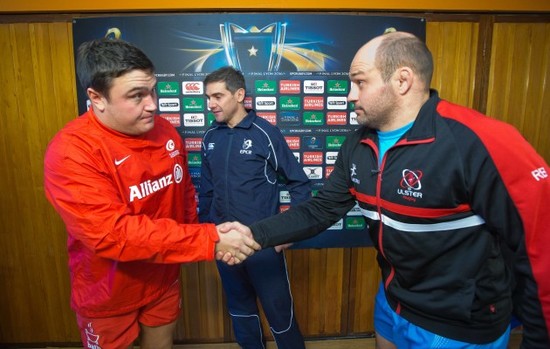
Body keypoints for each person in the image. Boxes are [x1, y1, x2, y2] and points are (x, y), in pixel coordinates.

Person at [220, 32, 550, 348]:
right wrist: (252, 234)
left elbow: (541, 249)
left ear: (402, 80)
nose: (350, 94)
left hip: (457, 322)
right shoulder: (358, 143)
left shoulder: (481, 141)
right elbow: (321, 210)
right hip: (393, 302)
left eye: (360, 82)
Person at [43, 39, 259, 349]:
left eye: (152, 91)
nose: (153, 104)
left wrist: (202, 236)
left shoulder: (165, 131)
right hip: (108, 292)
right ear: (96, 97)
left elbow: (183, 194)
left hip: (163, 280)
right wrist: (209, 241)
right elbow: (111, 234)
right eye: (136, 96)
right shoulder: (71, 151)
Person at [199, 66, 310, 349]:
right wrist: (206, 236)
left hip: (261, 246)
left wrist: (287, 234)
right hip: (224, 247)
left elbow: (299, 183)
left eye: (217, 96)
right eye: (208, 97)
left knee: (280, 316)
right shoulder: (211, 137)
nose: (211, 103)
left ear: (239, 95)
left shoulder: (265, 133)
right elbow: (208, 193)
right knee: (241, 312)